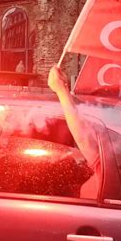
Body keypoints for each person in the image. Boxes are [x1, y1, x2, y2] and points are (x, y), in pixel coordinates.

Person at [48, 65, 100, 198]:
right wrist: (63, 88)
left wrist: (61, 90)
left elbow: (84, 139)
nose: (91, 131)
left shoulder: (106, 172)